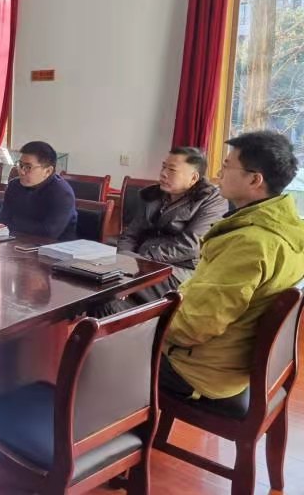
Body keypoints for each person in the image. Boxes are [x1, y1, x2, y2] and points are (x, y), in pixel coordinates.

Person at [161, 130, 304, 402]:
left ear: (254, 179)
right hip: (229, 360)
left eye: (227, 166)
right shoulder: (288, 228)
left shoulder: (250, 243)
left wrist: (145, 325)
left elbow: (194, 327)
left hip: (199, 370)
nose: (218, 173)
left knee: (95, 353)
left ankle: (121, 425)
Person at [118, 147, 227, 290]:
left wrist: (141, 258)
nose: (163, 173)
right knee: (102, 282)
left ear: (193, 178)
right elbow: (130, 234)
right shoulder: (153, 194)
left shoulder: (212, 200)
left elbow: (191, 246)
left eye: (172, 170)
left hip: (179, 271)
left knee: (118, 291)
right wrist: (123, 257)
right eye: (163, 167)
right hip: (139, 262)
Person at [0, 141, 77, 240]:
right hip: (17, 242)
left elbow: (48, 232)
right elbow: (3, 220)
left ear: (48, 171)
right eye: (20, 165)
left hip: (53, 246)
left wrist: (15, 222)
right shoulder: (14, 185)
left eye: (28, 167)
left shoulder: (62, 194)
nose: (21, 171)